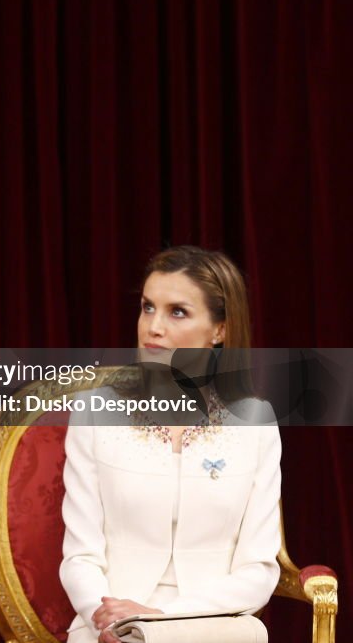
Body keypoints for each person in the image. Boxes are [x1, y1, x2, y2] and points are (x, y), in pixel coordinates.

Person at [60, 246, 281, 643]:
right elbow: (80, 557)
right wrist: (110, 619)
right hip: (109, 625)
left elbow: (258, 571)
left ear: (220, 330)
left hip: (212, 625)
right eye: (148, 307)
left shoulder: (256, 422)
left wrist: (162, 618)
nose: (153, 327)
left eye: (177, 312)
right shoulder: (94, 412)